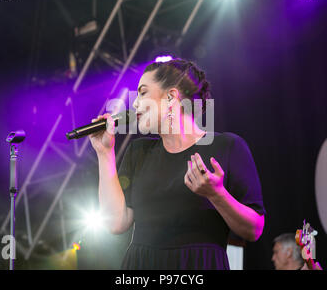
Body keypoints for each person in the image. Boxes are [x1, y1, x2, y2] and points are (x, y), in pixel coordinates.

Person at [89, 58, 266, 269]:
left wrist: (216, 194)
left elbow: (253, 229)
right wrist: (105, 153)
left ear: (171, 96)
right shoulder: (138, 152)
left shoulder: (227, 146)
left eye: (143, 93)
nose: (135, 103)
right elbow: (116, 223)